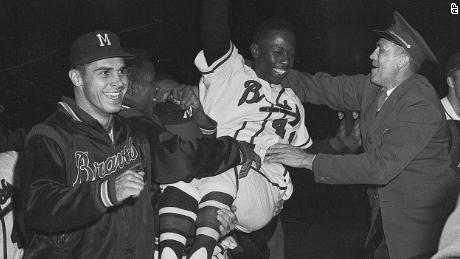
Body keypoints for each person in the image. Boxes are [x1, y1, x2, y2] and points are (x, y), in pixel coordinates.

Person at [15, 30, 259, 259]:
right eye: (104, 73)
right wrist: (105, 192)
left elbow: (152, 205)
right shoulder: (50, 136)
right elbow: (37, 208)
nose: (119, 82)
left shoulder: (131, 133)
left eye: (121, 71)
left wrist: (205, 223)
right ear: (76, 77)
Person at [266, 11, 457, 258]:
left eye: (381, 51)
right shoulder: (373, 86)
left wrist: (306, 159)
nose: (371, 55)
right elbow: (322, 87)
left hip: (421, 231)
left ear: (403, 61)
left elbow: (380, 167)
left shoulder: (420, 104)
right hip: (385, 218)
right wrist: (258, 69)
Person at [192, 0, 312, 258]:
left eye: (291, 54)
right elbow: (214, 28)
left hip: (261, 186)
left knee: (220, 163)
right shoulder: (231, 72)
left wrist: (341, 141)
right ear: (256, 50)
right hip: (214, 173)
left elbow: (301, 156)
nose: (286, 61)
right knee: (191, 173)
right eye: (278, 52)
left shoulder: (294, 103)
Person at [122, 49, 254, 259]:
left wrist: (200, 115)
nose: (156, 91)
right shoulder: (131, 124)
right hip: (151, 243)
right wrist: (235, 149)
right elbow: (183, 161)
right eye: (152, 85)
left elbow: (203, 160)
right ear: (131, 88)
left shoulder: (156, 123)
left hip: (179, 237)